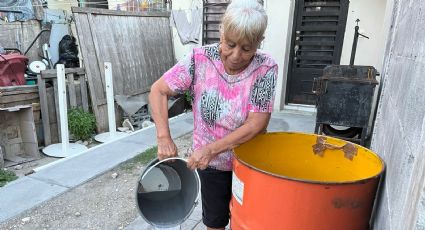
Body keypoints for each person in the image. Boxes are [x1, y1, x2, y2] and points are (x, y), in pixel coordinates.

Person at [149, 0, 278, 229]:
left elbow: (257, 123)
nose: (236, 55)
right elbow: (159, 90)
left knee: (249, 221)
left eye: (247, 48)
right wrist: (163, 137)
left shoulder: (266, 67)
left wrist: (211, 149)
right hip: (211, 167)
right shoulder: (199, 59)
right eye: (230, 44)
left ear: (259, 42)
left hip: (249, 164)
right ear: (221, 31)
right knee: (214, 221)